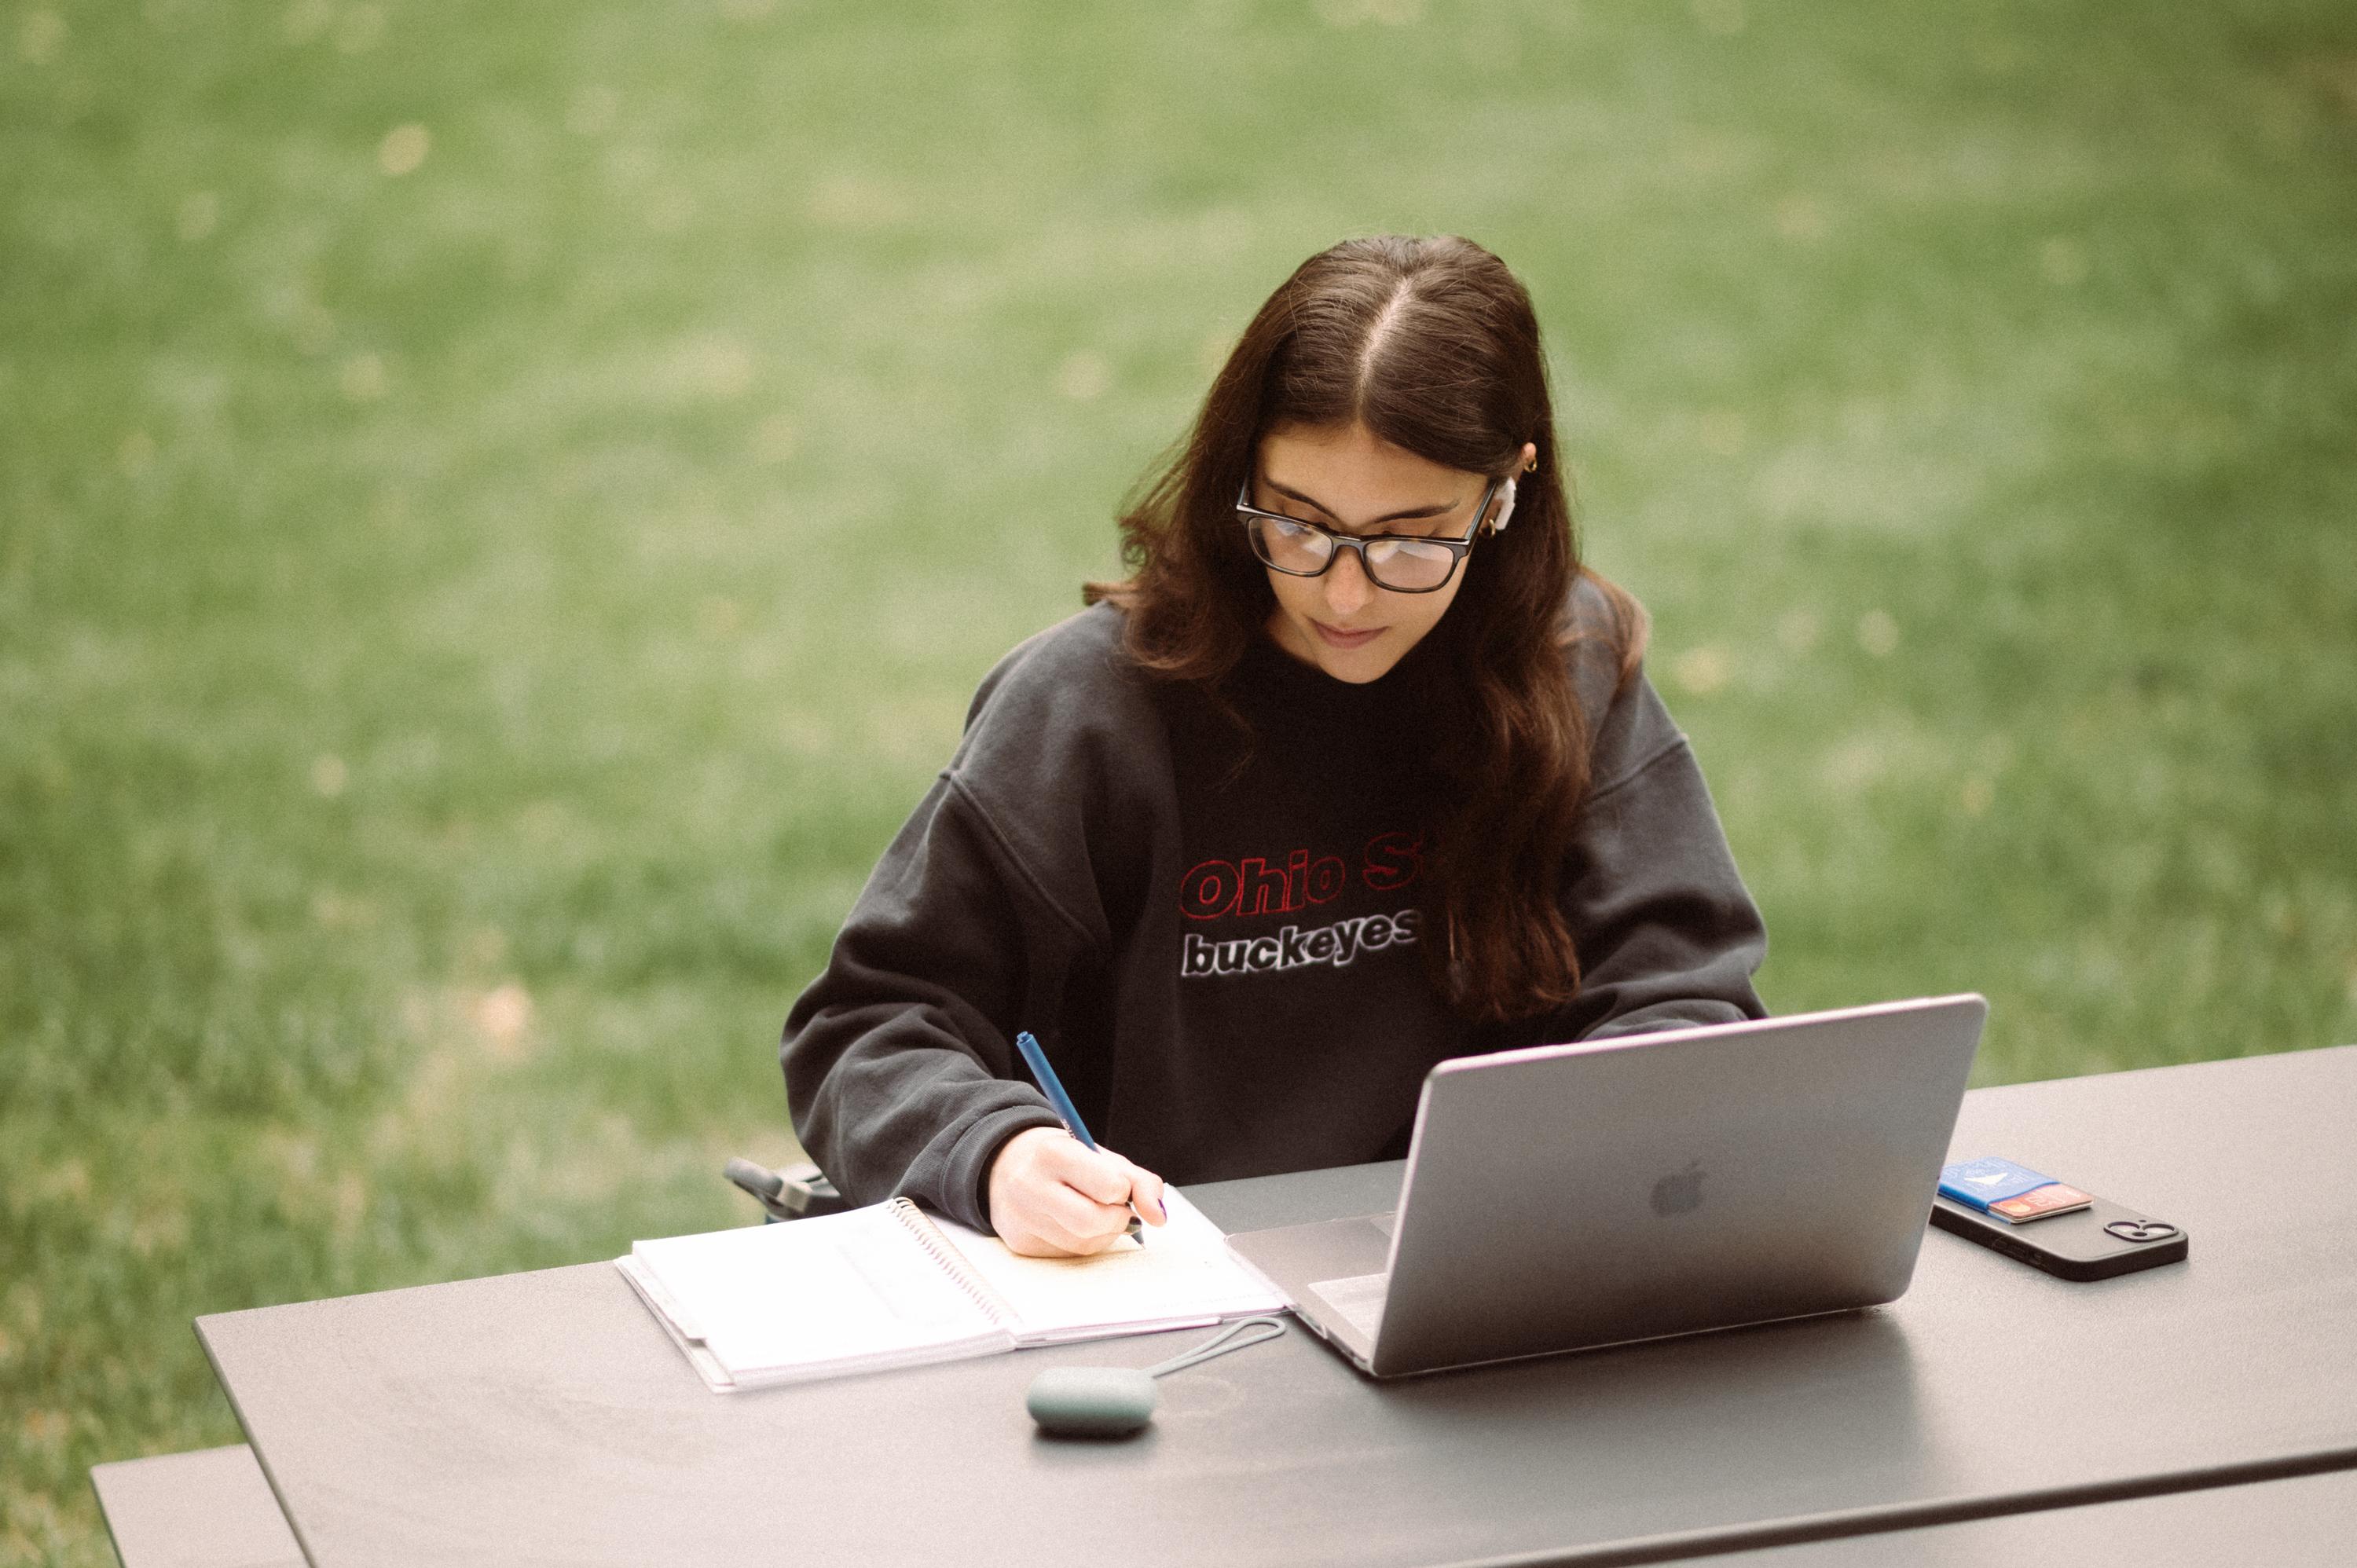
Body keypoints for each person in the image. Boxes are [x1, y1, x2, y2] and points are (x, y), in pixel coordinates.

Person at [782, 234, 1766, 1258]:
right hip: (1148, 1287)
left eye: (1412, 538)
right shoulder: (1089, 712)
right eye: (1296, 524)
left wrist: (1600, 1143)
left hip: (1472, 1266)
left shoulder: (1569, 665)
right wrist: (995, 1153)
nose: (1345, 592)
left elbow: (1682, 997)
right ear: (1237, 474)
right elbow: (867, 1029)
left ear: (1507, 493)